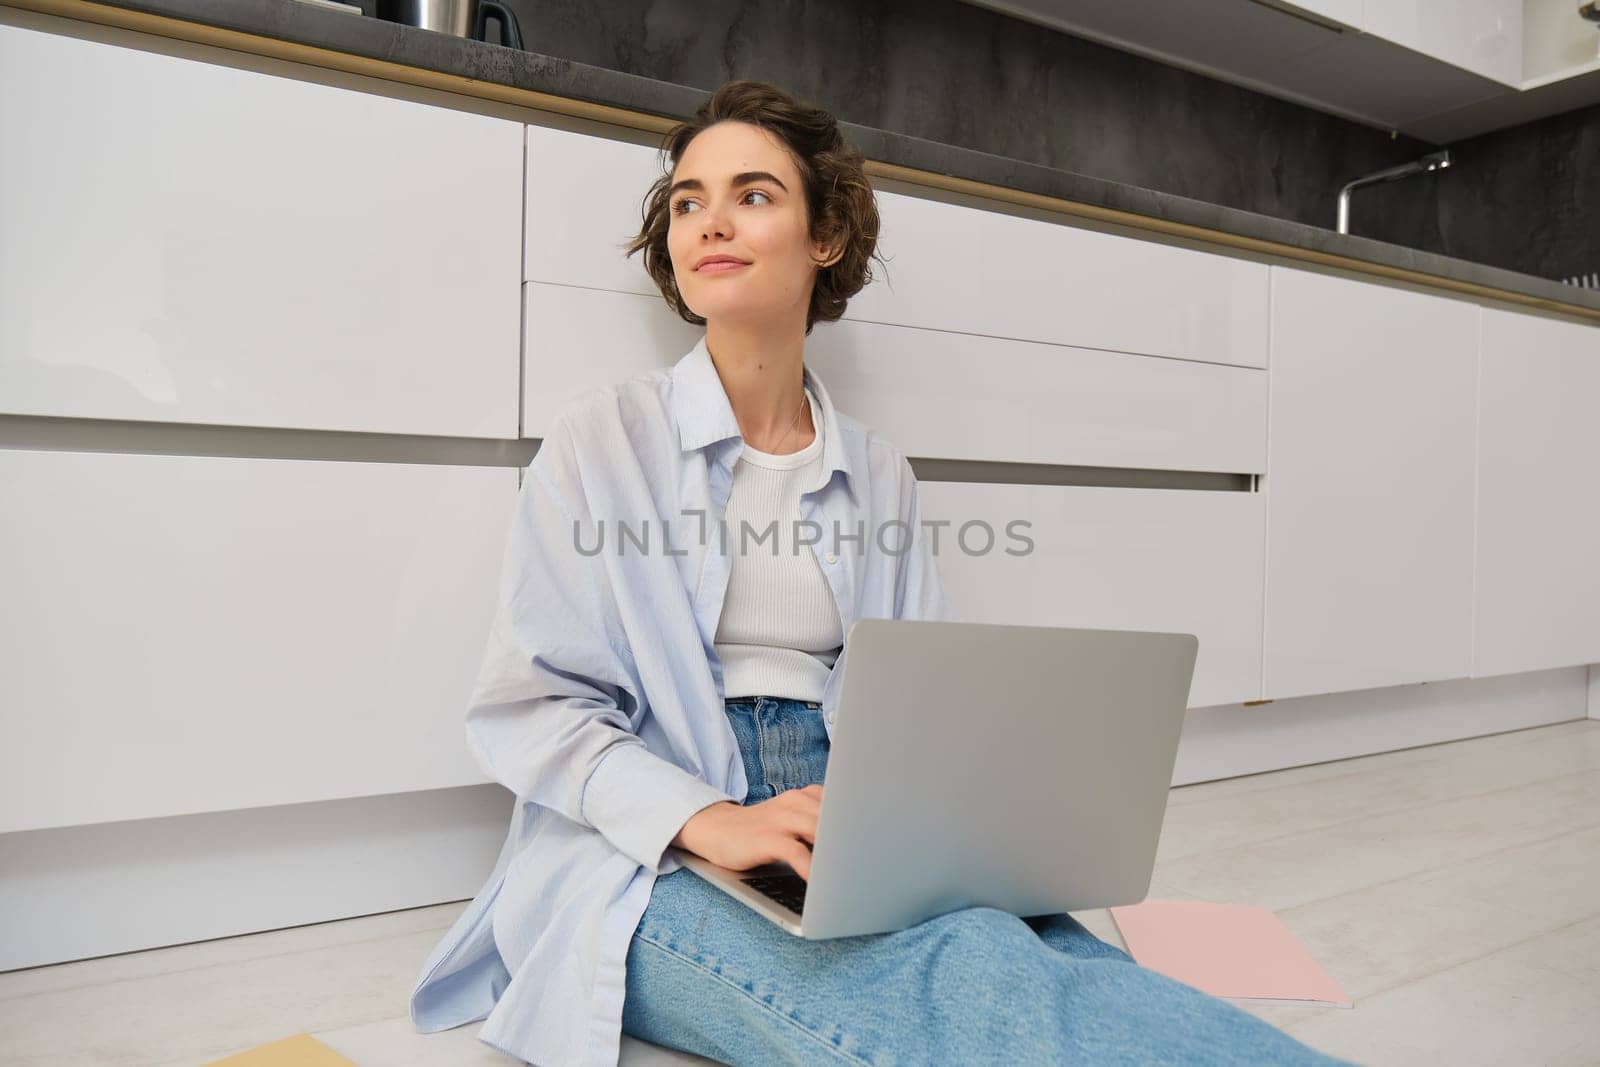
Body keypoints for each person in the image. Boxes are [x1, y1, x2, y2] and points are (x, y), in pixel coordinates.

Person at [411, 80, 1358, 1067]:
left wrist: (941, 829)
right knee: (966, 991)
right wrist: (710, 818)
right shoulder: (600, 438)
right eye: (687, 200)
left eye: (753, 194)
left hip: (848, 812)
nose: (710, 222)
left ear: (824, 237)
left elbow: (918, 703)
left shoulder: (875, 471)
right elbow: (531, 706)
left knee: (1026, 943)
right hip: (650, 848)